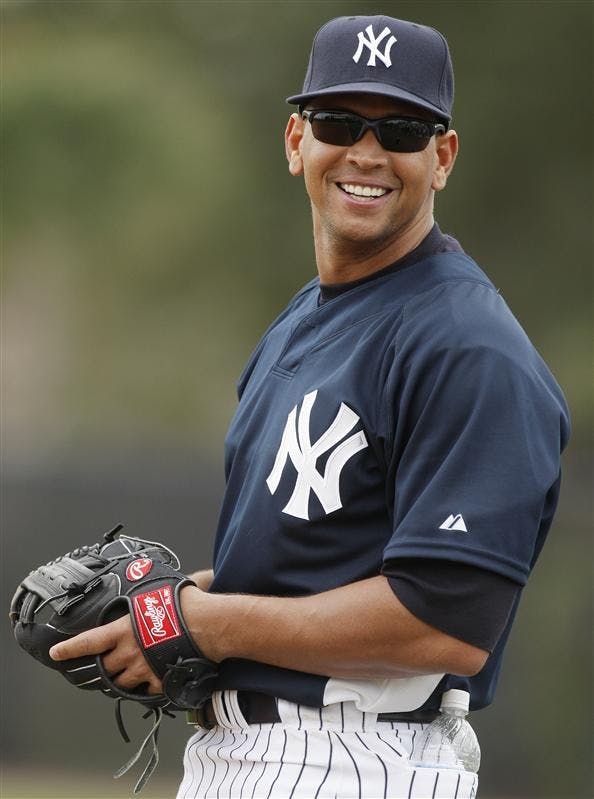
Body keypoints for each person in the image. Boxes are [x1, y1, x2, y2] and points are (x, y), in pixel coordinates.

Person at [50, 14, 570, 799]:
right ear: (296, 142)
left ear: (443, 158)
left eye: (400, 128)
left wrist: (211, 620)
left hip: (359, 756)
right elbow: (308, 559)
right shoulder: (304, 320)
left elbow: (448, 619)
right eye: (338, 122)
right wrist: (169, 611)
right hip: (248, 754)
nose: (366, 152)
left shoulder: (468, 348)